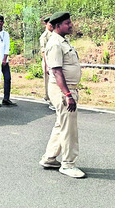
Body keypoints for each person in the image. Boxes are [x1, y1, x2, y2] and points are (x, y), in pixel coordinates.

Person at [39, 12, 84, 178]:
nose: (70, 25)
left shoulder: (63, 41)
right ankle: (68, 164)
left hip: (67, 88)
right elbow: (57, 71)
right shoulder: (55, 44)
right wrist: (67, 94)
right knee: (69, 128)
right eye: (67, 23)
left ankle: (49, 158)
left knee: (61, 124)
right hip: (63, 90)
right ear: (57, 26)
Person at [0, 15, 16, 107]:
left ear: (3, 23)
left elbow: (7, 47)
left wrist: (4, 59)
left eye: (1, 21)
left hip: (4, 60)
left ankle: (6, 98)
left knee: (7, 78)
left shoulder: (6, 34)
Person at [39, 15, 55, 110]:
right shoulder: (44, 36)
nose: (51, 25)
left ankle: (49, 97)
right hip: (47, 61)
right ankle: (50, 99)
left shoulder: (54, 34)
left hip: (54, 61)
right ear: (45, 24)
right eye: (49, 23)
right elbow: (43, 52)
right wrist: (47, 65)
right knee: (48, 81)